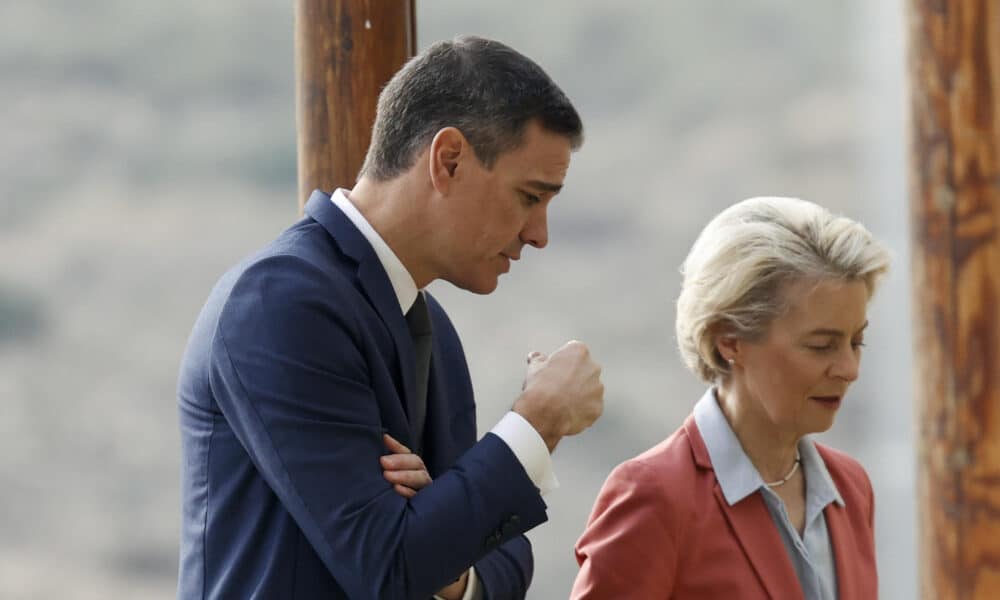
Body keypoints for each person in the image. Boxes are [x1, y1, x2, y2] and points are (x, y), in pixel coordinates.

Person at [177, 36, 605, 600]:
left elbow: (498, 563)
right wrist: (537, 422)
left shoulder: (437, 335)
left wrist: (448, 556)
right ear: (448, 160)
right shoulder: (279, 304)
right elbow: (391, 568)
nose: (539, 234)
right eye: (530, 197)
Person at [571, 197, 889, 599]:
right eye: (821, 345)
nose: (849, 368)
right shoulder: (654, 495)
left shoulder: (851, 488)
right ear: (730, 343)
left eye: (856, 341)